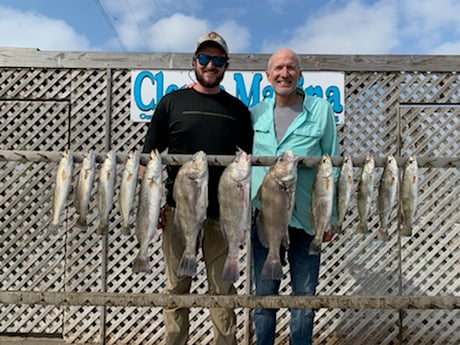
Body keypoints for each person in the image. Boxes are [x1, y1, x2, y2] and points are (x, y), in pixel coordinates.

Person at [141, 31, 253, 345]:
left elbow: (247, 167)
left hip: (223, 215)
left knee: (223, 290)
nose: (210, 64)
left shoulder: (238, 110)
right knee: (177, 289)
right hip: (179, 212)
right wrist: (151, 206)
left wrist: (244, 215)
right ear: (194, 61)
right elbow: (146, 160)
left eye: (218, 60)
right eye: (205, 58)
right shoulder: (171, 103)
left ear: (226, 66)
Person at [250, 48, 340, 345]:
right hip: (266, 218)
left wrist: (331, 217)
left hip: (308, 220)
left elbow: (333, 165)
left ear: (300, 75)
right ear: (267, 76)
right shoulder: (256, 113)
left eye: (290, 68)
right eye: (278, 68)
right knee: (264, 297)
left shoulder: (321, 110)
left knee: (304, 298)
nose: (284, 73)